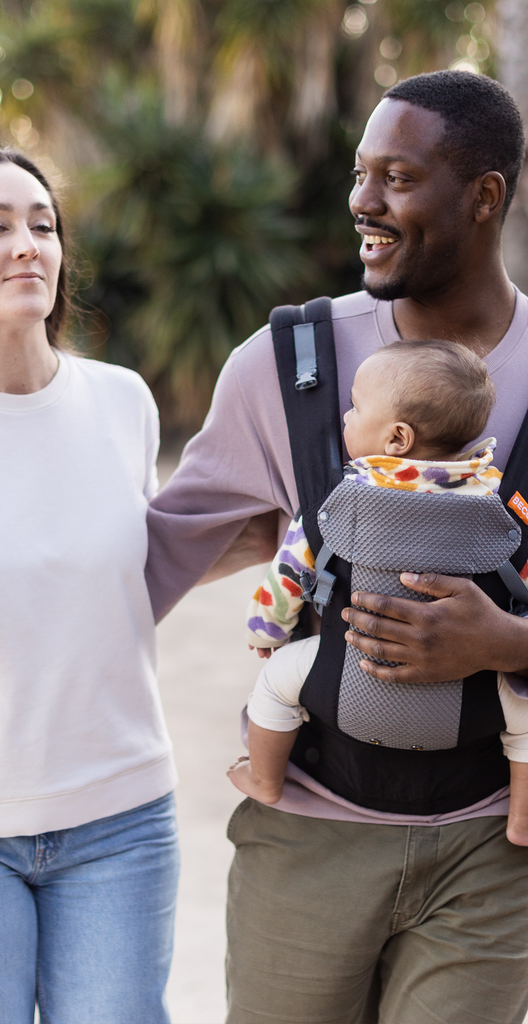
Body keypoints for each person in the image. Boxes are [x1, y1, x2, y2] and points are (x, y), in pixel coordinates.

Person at [146, 71, 528, 1023]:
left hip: (495, 850)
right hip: (308, 834)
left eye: (395, 176)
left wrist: (509, 644)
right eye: (361, 174)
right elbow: (151, 559)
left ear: (484, 196)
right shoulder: (287, 366)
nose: (361, 200)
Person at [0, 147, 179, 1024]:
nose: (27, 244)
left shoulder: (122, 401)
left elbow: (134, 569)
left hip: (121, 818)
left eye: (42, 225)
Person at [235, 339, 528, 847]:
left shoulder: (340, 503)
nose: (345, 417)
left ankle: (265, 778)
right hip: (476, 686)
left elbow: (288, 578)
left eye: (354, 407)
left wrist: (266, 628)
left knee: (276, 683)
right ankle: (522, 817)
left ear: (396, 438)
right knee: (525, 719)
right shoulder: (495, 501)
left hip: (349, 666)